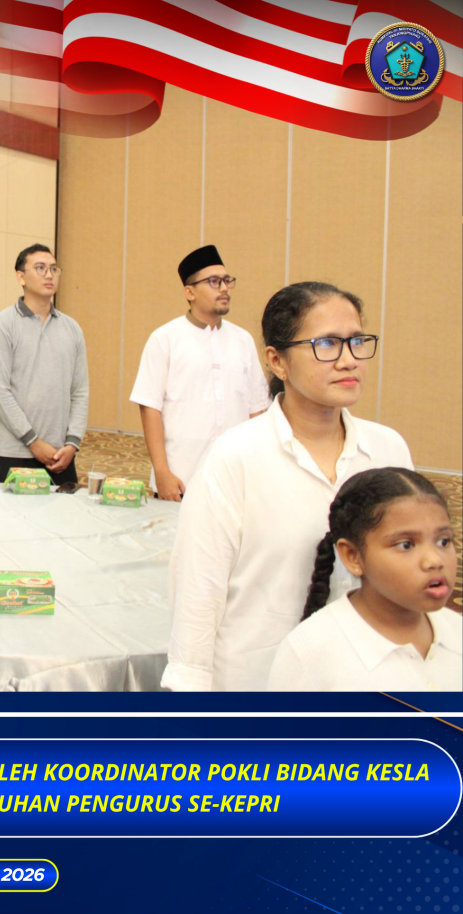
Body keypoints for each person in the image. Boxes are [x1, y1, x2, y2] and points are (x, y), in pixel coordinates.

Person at [162, 281, 413, 692]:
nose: (348, 360)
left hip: (365, 683)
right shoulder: (236, 456)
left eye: (356, 341)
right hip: (256, 685)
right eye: (327, 344)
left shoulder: (388, 449)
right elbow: (198, 590)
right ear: (277, 361)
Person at [269, 468, 459, 691]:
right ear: (352, 556)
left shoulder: (457, 630)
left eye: (443, 541)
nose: (434, 560)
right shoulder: (309, 653)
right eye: (406, 545)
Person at [130, 245, 269, 500]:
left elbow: (257, 409)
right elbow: (150, 408)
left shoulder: (243, 340)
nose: (224, 288)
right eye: (214, 281)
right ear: (189, 292)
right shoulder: (165, 339)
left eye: (227, 280)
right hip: (181, 476)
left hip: (235, 477)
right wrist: (162, 472)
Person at [0, 244, 89, 486]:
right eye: (40, 268)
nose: (49, 275)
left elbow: (80, 391)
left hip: (60, 456)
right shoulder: (3, 325)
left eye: (54, 269)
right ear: (21, 277)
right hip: (13, 452)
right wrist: (33, 441)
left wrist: (73, 442)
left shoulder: (72, 328)